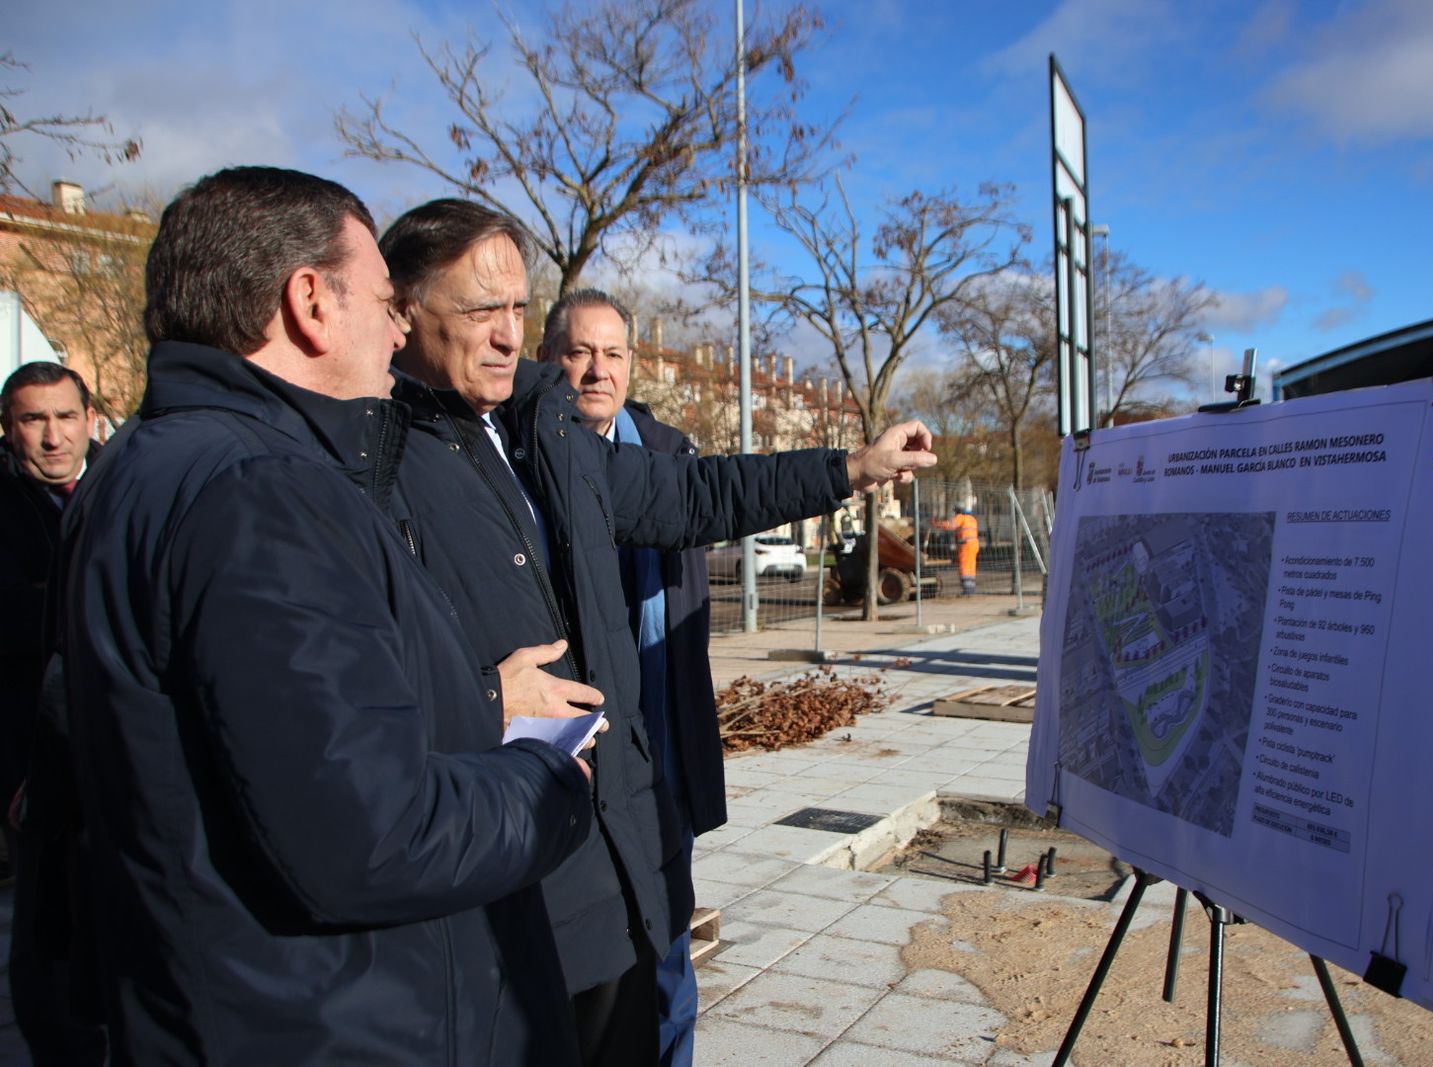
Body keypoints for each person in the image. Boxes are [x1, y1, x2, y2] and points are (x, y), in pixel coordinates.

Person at [53, 167, 594, 1065]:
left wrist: (478, 700)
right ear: (309, 299)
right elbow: (373, 835)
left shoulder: (134, 469)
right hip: (327, 1023)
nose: (395, 326)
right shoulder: (262, 494)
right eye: (383, 299)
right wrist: (550, 789)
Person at [377, 198, 935, 1066]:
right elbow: (353, 679)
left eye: (516, 310)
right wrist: (482, 699)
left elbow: (692, 495)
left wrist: (850, 468)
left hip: (617, 851)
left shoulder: (544, 424)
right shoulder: (370, 458)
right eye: (480, 310)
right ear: (403, 309)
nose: (503, 335)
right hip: (506, 873)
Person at [539, 288, 716, 1065]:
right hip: (573, 751)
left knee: (670, 947)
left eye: (612, 353)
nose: (596, 369)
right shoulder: (525, 458)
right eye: (578, 351)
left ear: (632, 364)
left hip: (661, 747)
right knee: (590, 975)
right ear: (551, 361)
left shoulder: (670, 454)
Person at [0, 361, 105, 1065]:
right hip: (30, 771)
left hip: (110, 753)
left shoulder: (119, 487)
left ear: (90, 417)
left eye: (64, 417)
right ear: (9, 429)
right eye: (33, 420)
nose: (51, 437)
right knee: (49, 941)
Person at [937, 506, 981, 595]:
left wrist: (937, 524)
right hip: (974, 544)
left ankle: (967, 589)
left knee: (964, 566)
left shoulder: (961, 518)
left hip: (965, 545)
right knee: (971, 566)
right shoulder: (972, 519)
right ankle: (971, 588)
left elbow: (950, 525)